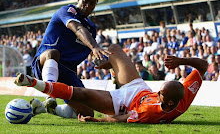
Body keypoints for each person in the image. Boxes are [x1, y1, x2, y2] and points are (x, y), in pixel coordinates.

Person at [15, 44, 208, 124]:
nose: (157, 94)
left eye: (160, 95)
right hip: (139, 88)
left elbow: (122, 118)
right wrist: (181, 62)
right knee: (114, 49)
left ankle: (34, 82)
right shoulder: (184, 94)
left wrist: (98, 121)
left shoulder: (149, 111)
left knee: (81, 94)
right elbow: (204, 65)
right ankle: (113, 69)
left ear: (169, 103)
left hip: (121, 102)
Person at [30, 0, 111, 118]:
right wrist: (95, 46)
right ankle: (50, 95)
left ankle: (43, 109)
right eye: (85, 1)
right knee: (53, 53)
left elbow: (91, 52)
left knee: (87, 112)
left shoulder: (91, 29)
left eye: (92, 4)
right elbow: (77, 28)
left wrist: (102, 60)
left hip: (68, 72)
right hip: (45, 63)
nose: (87, 5)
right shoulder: (66, 11)